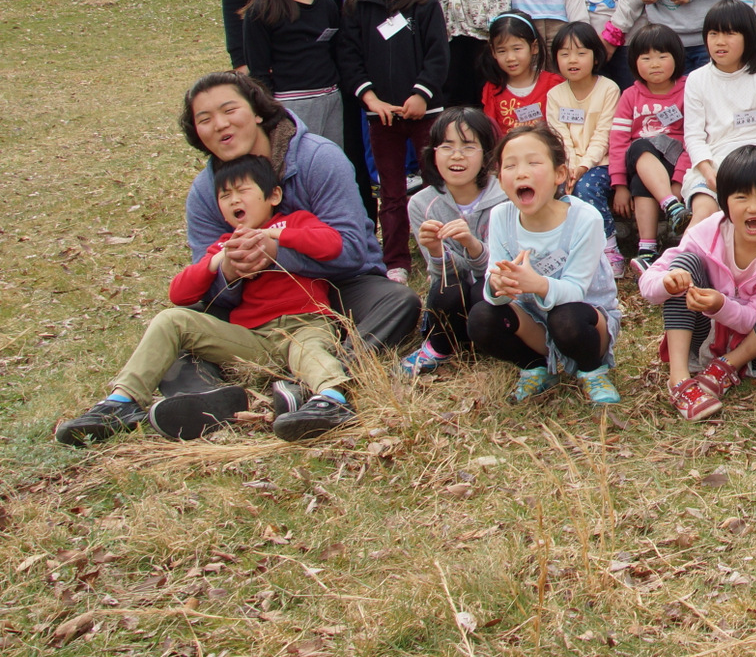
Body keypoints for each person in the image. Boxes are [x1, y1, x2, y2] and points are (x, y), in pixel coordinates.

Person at [55, 155, 355, 446]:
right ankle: (121, 402)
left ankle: (332, 399)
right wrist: (220, 261)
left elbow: (331, 244)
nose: (235, 200)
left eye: (243, 190)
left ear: (273, 195)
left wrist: (271, 238)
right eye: (225, 195)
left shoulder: (294, 222)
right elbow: (179, 294)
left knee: (311, 350)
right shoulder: (224, 244)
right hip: (254, 339)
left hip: (306, 324)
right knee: (170, 319)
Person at [179, 72, 421, 355]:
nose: (220, 124)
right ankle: (201, 394)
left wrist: (275, 252)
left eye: (230, 110)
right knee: (180, 327)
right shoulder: (205, 190)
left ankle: (334, 374)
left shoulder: (317, 158)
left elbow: (353, 251)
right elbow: (204, 281)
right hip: (254, 301)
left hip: (337, 287)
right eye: (205, 119)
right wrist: (229, 271)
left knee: (398, 302)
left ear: (257, 112)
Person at [640, 145, 756, 421]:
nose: (754, 206)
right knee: (683, 267)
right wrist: (668, 284)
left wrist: (720, 305)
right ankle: (679, 381)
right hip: (703, 338)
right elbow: (647, 283)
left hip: (755, 349)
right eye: (741, 197)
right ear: (725, 202)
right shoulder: (706, 232)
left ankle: (726, 367)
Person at [473, 125, 623, 407]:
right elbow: (495, 278)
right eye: (510, 165)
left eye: (533, 162)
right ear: (500, 178)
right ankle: (535, 366)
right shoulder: (501, 217)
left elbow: (577, 290)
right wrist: (498, 286)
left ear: (560, 174)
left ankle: (592, 370)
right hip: (533, 322)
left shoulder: (584, 218)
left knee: (566, 318)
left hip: (585, 320)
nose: (521, 172)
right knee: (482, 316)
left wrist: (538, 284)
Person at [336, 0, 450, 277]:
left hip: (425, 112)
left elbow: (438, 55)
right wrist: (371, 99)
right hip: (380, 116)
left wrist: (420, 94)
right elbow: (349, 56)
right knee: (391, 190)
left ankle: (442, 253)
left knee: (435, 183)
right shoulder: (357, 3)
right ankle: (396, 259)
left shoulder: (424, 4)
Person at [397, 108, 505, 377]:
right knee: (448, 289)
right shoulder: (421, 204)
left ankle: (492, 343)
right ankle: (440, 347)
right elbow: (442, 275)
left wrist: (472, 244)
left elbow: (501, 267)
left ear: (487, 155)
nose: (457, 156)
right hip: (452, 297)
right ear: (433, 153)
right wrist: (436, 252)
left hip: (493, 292)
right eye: (447, 146)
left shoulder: (505, 197)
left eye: (468, 146)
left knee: (485, 288)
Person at [238, 0, 345, 147]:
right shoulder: (262, 11)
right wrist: (271, 113)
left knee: (330, 162)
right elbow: (258, 73)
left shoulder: (326, 4)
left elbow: (338, 52)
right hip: (290, 104)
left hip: (331, 98)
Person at [679, 0, 756, 221]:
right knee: (704, 212)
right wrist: (711, 176)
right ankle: (678, 257)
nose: (720, 42)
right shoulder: (697, 80)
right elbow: (694, 136)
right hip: (713, 165)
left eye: (730, 34)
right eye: (713, 34)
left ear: (748, 36)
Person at [608, 24, 693, 272]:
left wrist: (678, 180)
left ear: (676, 58)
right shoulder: (630, 96)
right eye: (646, 58)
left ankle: (648, 248)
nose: (654, 64)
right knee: (639, 151)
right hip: (643, 163)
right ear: (634, 63)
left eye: (662, 56)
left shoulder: (688, 90)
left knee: (641, 148)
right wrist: (620, 185)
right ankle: (648, 248)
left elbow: (693, 137)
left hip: (675, 161)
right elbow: (618, 141)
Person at [545, 21, 622, 269]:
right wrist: (570, 167)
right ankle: (561, 250)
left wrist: (583, 166)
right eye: (565, 53)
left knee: (587, 189)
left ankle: (609, 248)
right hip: (566, 164)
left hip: (601, 162)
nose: (572, 60)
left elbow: (604, 135)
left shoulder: (608, 89)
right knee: (550, 189)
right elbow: (560, 137)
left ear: (595, 55)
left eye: (580, 52)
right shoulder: (555, 95)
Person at [480, 12, 563, 137]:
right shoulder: (492, 89)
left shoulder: (554, 84)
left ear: (534, 47)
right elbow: (491, 134)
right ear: (493, 52)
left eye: (517, 49)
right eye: (502, 51)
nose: (510, 58)